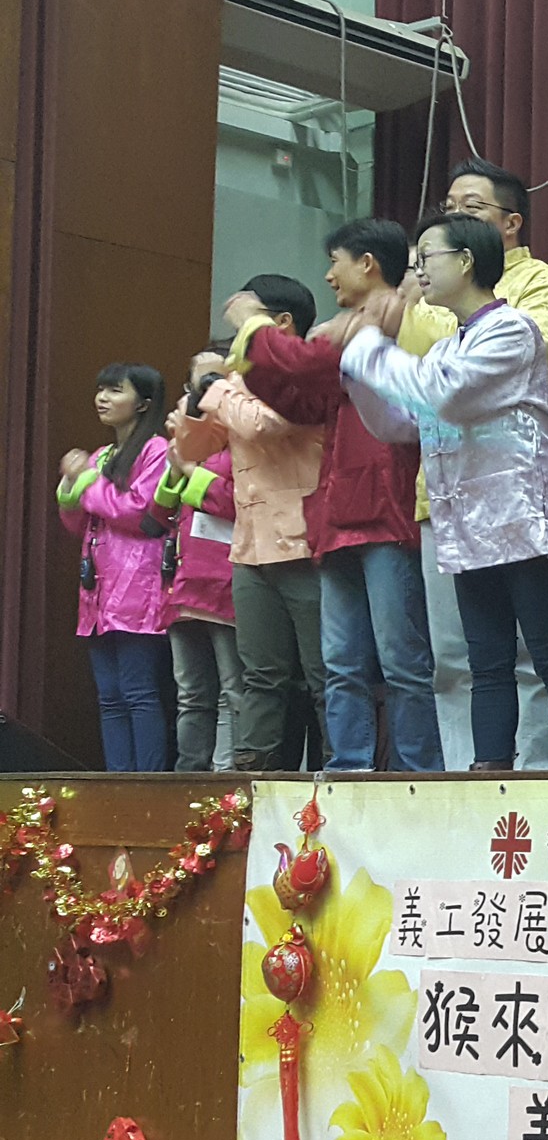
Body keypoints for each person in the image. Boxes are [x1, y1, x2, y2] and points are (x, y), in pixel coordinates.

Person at [330, 213, 548, 769]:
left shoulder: (512, 329)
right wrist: (358, 375)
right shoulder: (449, 346)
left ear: (467, 260)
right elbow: (402, 423)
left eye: (426, 258)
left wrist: (367, 346)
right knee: (486, 662)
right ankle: (488, 772)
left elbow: (442, 394)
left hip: (521, 517)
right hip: (469, 522)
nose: (418, 272)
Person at [229, 219, 442, 772]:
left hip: (390, 508)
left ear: (367, 263)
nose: (328, 275)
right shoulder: (348, 325)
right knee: (340, 662)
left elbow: (305, 364)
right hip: (338, 511)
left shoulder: (403, 317)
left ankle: (418, 774)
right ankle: (350, 767)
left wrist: (253, 326)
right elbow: (301, 399)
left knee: (402, 661)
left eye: (335, 262)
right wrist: (262, 355)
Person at [401, 158, 548, 771]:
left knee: (539, 655)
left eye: (472, 207)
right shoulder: (435, 307)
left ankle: (547, 778)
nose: (455, 214)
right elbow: (405, 393)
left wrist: (389, 360)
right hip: (450, 496)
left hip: (521, 497)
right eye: (449, 206)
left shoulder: (544, 288)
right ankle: (476, 775)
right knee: (462, 657)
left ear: (509, 224)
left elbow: (500, 366)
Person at [174, 276, 328, 771]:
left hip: (304, 543)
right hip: (250, 549)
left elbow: (264, 425)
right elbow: (192, 448)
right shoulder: (237, 383)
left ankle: (343, 770)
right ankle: (253, 776)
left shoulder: (304, 372)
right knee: (261, 675)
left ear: (281, 323)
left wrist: (217, 388)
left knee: (324, 674)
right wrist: (200, 395)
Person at [55, 363, 173, 770]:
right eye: (101, 390)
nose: (102, 399)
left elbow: (139, 512)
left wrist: (87, 481)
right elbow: (79, 523)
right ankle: (117, 779)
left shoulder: (156, 450)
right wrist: (70, 487)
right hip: (99, 590)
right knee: (109, 696)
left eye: (114, 390)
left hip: (138, 584)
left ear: (143, 403)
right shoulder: (103, 455)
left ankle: (147, 784)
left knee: (139, 691)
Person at [154, 356, 243, 772]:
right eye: (199, 382)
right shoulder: (183, 437)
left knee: (232, 689)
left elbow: (237, 501)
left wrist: (190, 471)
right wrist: (178, 470)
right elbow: (156, 514)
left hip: (226, 576)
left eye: (217, 378)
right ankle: (188, 776)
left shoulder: (243, 433)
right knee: (190, 691)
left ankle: (227, 779)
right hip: (183, 579)